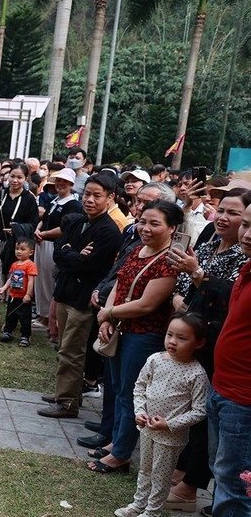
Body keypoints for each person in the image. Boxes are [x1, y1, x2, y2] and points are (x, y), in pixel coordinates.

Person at [170, 200, 251, 517]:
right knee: (225, 470)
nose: (247, 234)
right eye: (246, 226)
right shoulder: (247, 269)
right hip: (224, 383)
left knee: (236, 478)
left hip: (245, 395)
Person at [90, 200, 184, 473]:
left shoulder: (170, 260)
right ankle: (117, 443)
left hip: (144, 335)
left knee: (133, 395)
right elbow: (120, 282)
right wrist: (107, 314)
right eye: (143, 221)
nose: (145, 228)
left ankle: (120, 454)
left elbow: (147, 304)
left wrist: (109, 314)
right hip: (121, 328)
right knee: (119, 390)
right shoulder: (139, 249)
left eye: (155, 223)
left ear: (172, 228)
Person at [38, 172, 123, 419]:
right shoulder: (77, 222)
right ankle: (67, 394)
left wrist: (70, 253)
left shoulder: (109, 231)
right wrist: (72, 252)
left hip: (83, 298)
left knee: (72, 351)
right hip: (66, 291)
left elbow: (88, 265)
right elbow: (58, 252)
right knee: (64, 346)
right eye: (87, 194)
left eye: (97, 196)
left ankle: (67, 403)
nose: (90, 200)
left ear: (110, 198)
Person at [114, 312, 208, 517]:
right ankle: (139, 504)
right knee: (145, 469)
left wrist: (170, 424)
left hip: (170, 437)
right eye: (170, 335)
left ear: (199, 343)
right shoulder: (155, 359)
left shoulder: (196, 374)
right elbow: (140, 387)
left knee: (161, 475)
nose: (173, 341)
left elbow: (200, 411)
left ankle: (153, 516)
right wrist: (140, 412)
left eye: (182, 338)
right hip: (147, 429)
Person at [0, 163, 39, 330]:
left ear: (26, 178)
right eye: (12, 176)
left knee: (16, 283)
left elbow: (33, 224)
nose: (15, 180)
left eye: (19, 177)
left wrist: (16, 229)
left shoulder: (29, 199)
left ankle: (10, 320)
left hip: (18, 247)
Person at [33, 168, 83, 331]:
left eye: (65, 182)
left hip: (53, 245)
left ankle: (48, 316)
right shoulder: (55, 201)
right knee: (40, 278)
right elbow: (45, 218)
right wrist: (38, 230)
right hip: (42, 242)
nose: (60, 184)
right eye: (58, 181)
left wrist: (44, 234)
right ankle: (41, 312)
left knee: (48, 280)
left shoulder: (73, 204)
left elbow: (65, 228)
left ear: (71, 184)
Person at [0, 237, 38, 347]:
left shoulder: (30, 265)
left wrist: (28, 294)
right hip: (13, 295)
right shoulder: (15, 264)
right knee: (10, 315)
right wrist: (4, 288)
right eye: (17, 248)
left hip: (23, 297)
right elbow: (11, 278)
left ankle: (25, 336)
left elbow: (30, 281)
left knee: (25, 318)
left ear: (31, 252)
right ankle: (8, 332)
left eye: (22, 249)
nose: (18, 251)